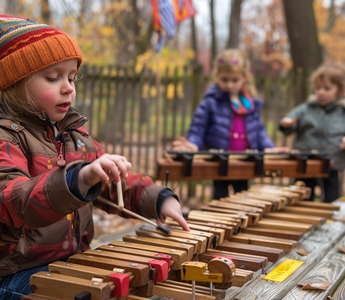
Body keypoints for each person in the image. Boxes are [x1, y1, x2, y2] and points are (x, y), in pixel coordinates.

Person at [0, 15, 189, 300]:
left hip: (72, 262)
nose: (68, 87)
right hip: (17, 274)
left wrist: (159, 199)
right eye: (53, 77)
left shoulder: (75, 136)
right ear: (13, 83)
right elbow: (13, 200)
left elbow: (117, 185)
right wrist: (79, 178)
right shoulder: (6, 138)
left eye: (72, 78)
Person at [172, 49, 287, 199]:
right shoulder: (210, 102)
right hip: (220, 163)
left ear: (244, 78)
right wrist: (193, 143)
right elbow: (198, 127)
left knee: (243, 199)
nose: (230, 84)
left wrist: (269, 148)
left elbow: (258, 131)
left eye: (235, 80)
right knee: (220, 199)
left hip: (244, 162)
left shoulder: (249, 104)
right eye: (225, 80)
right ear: (216, 77)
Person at [280, 62, 345, 203]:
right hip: (306, 163)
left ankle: (330, 222)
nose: (321, 92)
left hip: (331, 163)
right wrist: (286, 123)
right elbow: (288, 122)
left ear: (340, 90)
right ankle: (301, 221)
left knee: (332, 197)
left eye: (327, 88)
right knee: (303, 196)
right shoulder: (305, 109)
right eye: (318, 88)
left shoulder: (342, 112)